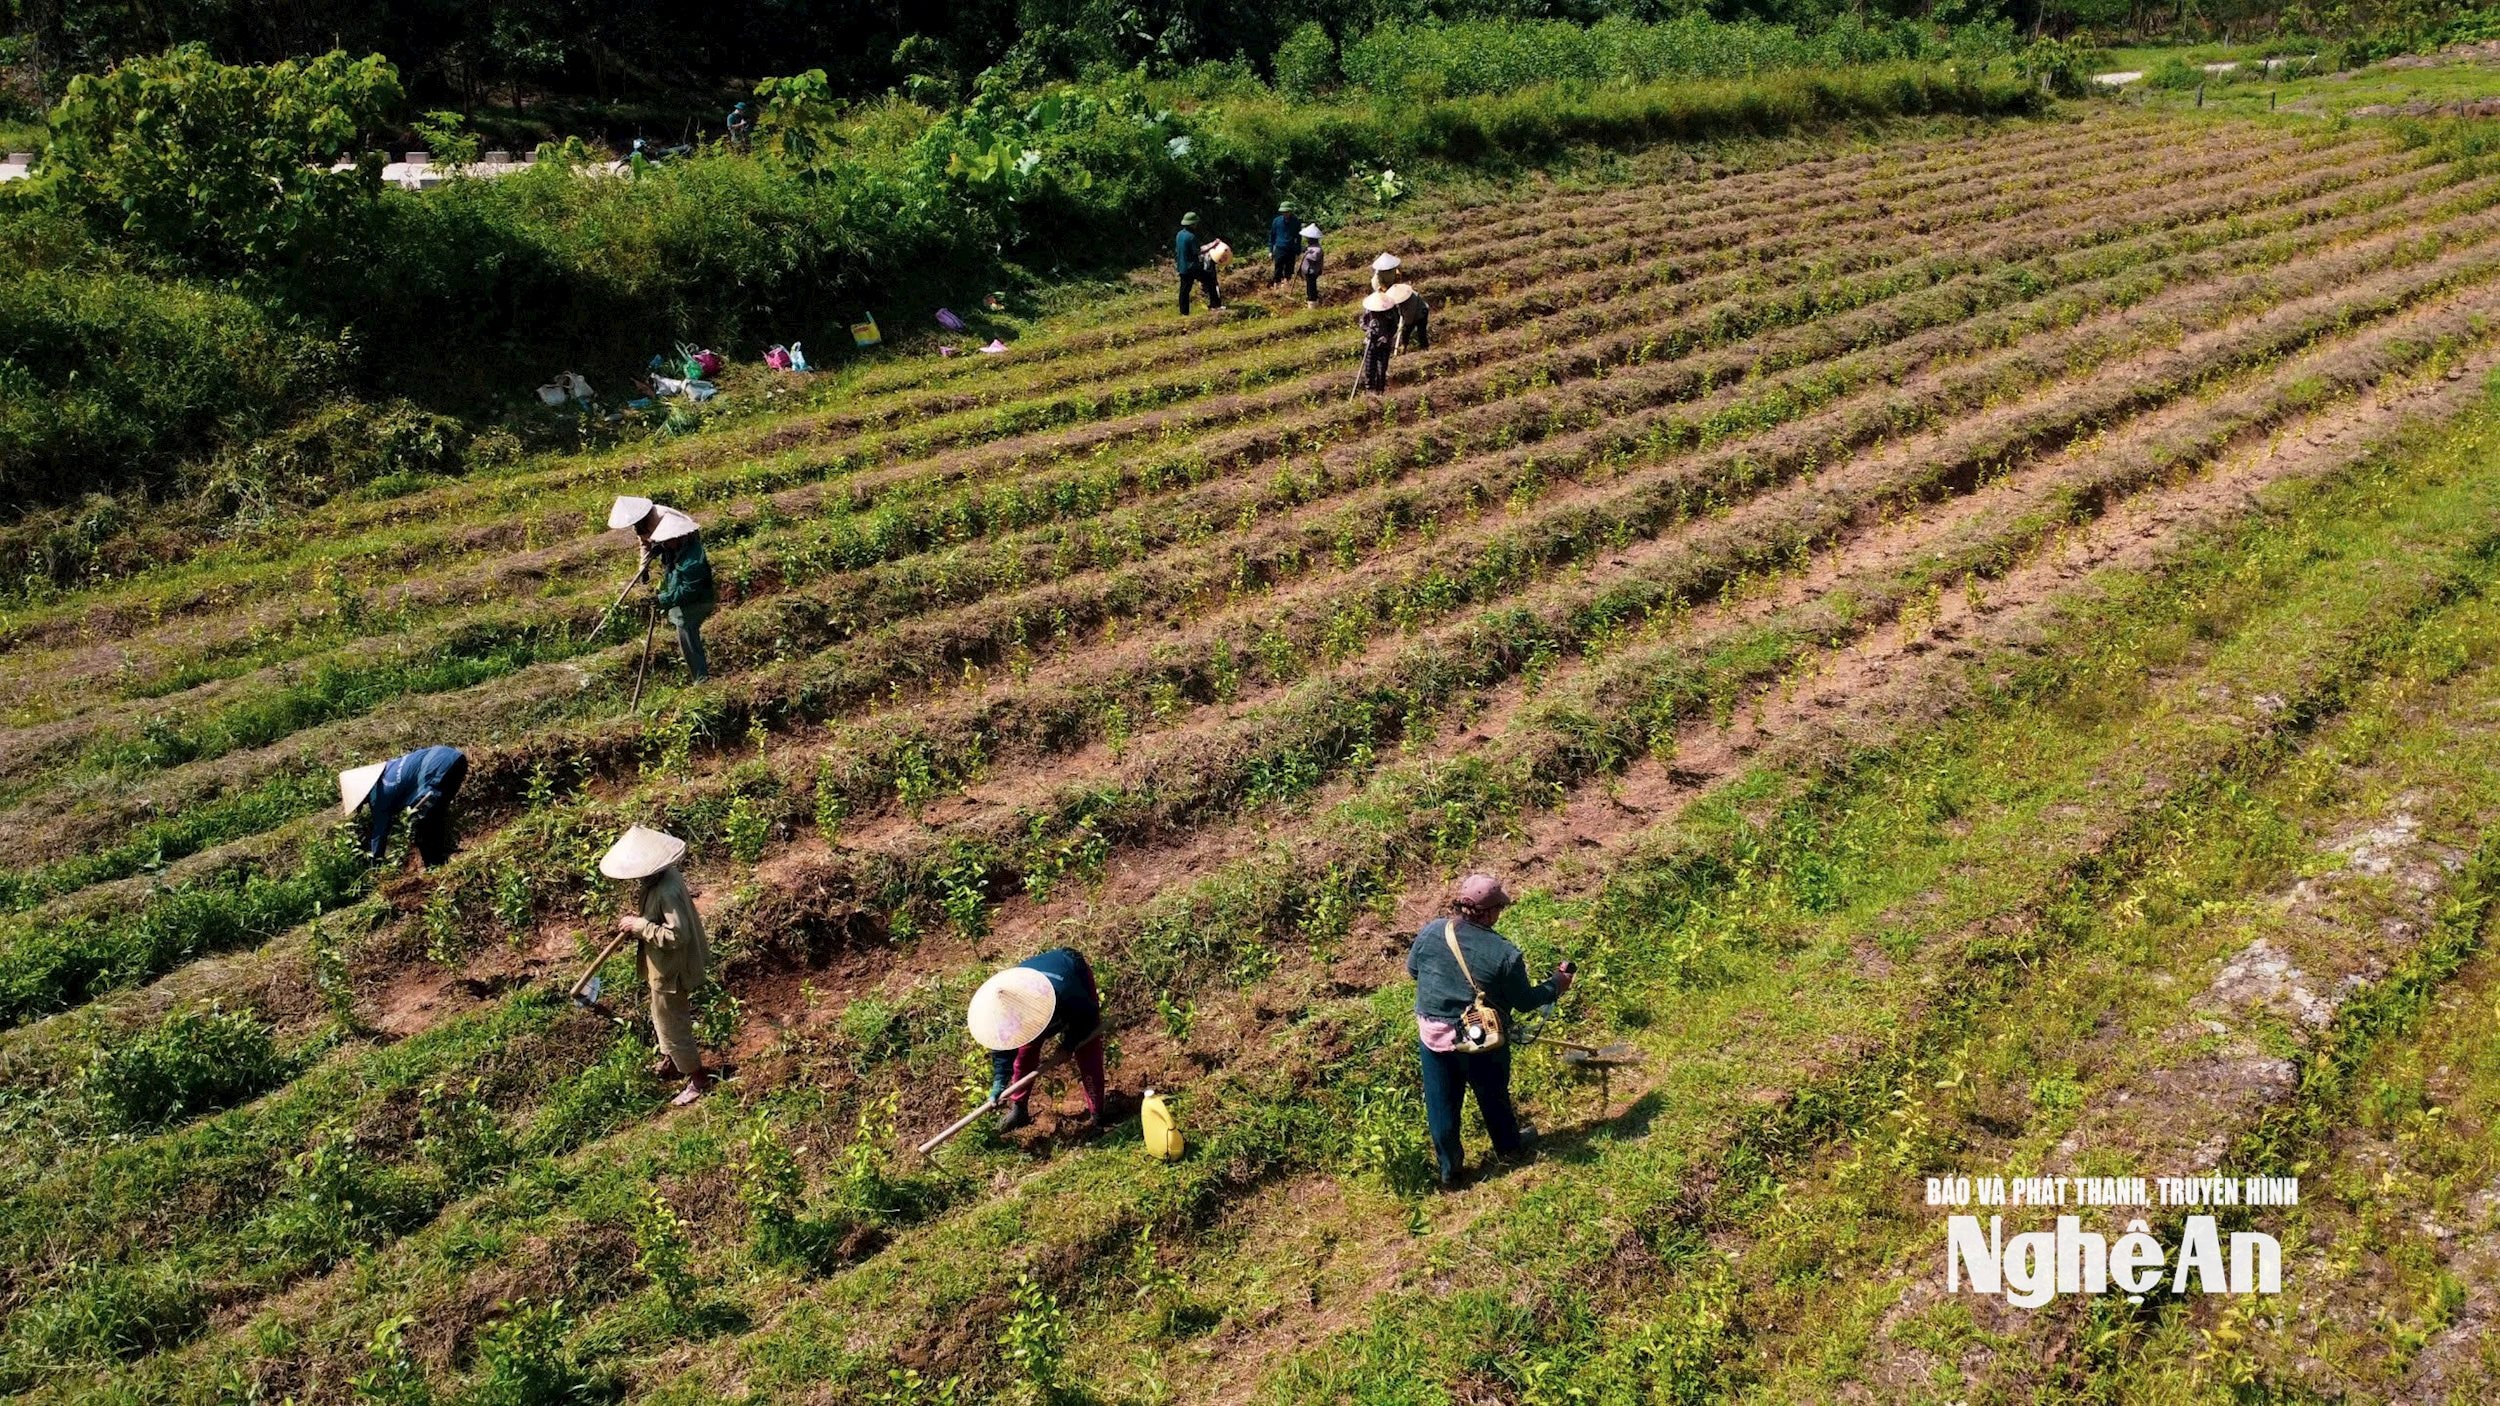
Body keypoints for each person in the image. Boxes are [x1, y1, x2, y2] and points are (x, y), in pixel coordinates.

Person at [1406, 873, 1574, 1190]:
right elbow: (1524, 1002)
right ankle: (1509, 1149)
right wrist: (1556, 986)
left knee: (1441, 1106)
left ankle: (1451, 1172)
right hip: (1479, 1040)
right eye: (1499, 909)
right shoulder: (1504, 954)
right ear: (1491, 911)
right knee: (1493, 1095)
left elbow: (1413, 970)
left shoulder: (1431, 932)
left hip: (1434, 1039)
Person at [603, 825, 715, 1106]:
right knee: (661, 1015)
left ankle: (698, 1079)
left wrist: (640, 926)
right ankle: (672, 1059)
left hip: (672, 969)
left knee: (674, 1023)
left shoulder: (666, 890)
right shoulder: (660, 880)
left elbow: (677, 934)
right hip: (661, 966)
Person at [967, 947, 1107, 1133]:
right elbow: (1004, 1045)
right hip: (1035, 984)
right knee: (1026, 1049)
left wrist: (1067, 1046)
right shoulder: (1005, 1007)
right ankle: (1019, 1110)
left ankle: (1097, 1117)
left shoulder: (1069, 993)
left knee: (1087, 1049)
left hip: (1071, 970)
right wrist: (1000, 1081)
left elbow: (1087, 1018)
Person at [608, 496, 714, 682]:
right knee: (674, 579)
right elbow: (644, 543)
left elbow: (689, 588)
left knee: (686, 623)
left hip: (690, 571)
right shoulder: (641, 525)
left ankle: (701, 678)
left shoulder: (665, 520)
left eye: (665, 542)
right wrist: (644, 568)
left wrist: (664, 599)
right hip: (680, 554)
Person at [339, 746, 469, 867]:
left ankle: (436, 869)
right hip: (455, 758)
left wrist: (375, 864)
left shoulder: (378, 797)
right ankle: (443, 862)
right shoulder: (389, 767)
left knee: (423, 833)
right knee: (434, 820)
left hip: (437, 771)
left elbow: (380, 833)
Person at [1174, 212, 1222, 316]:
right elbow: (1197, 251)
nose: (1196, 226)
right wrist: (1213, 245)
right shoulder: (1191, 237)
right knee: (1210, 280)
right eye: (1195, 223)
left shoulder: (1179, 234)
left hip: (1182, 266)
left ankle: (1184, 313)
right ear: (1192, 224)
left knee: (1184, 290)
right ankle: (1215, 305)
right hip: (1192, 267)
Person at [1357, 290, 1398, 395]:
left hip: (1384, 344)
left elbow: (1394, 327)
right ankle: (1370, 391)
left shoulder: (1390, 311)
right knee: (1369, 368)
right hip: (1371, 342)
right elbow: (1362, 323)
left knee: (1381, 370)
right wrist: (1368, 330)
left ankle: (1380, 391)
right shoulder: (1368, 311)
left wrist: (1387, 337)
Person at [1388, 282, 1431, 352]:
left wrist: (1404, 326)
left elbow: (1409, 319)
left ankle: (1424, 348)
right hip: (1410, 313)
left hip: (1421, 313)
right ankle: (1404, 346)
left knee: (1420, 331)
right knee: (1406, 332)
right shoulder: (1400, 298)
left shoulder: (1411, 299)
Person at [1268, 201, 1302, 286]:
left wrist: (1298, 251)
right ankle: (1277, 283)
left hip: (1291, 248)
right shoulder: (1277, 221)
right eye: (1283, 212)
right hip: (1280, 248)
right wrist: (1270, 250)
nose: (1285, 214)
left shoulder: (1296, 222)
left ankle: (1286, 283)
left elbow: (1298, 238)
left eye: (1287, 212)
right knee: (1278, 267)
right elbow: (1272, 236)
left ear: (1291, 211)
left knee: (1289, 268)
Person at [1297, 225, 1324, 309]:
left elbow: (1314, 258)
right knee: (1309, 287)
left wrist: (1306, 253)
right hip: (1308, 271)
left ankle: (1312, 303)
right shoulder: (1310, 248)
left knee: (1311, 288)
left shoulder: (1317, 249)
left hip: (1312, 271)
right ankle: (1311, 301)